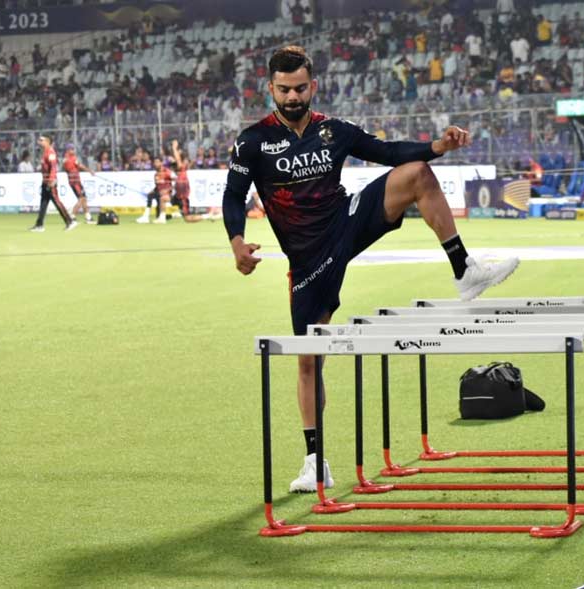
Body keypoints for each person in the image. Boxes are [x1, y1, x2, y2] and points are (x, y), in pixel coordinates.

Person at [222, 46, 519, 493]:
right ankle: (314, 460)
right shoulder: (252, 141)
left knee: (416, 172)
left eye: (300, 88)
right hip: (308, 259)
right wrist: (237, 241)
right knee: (308, 362)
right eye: (283, 90)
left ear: (313, 85)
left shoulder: (333, 131)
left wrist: (437, 146)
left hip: (345, 223)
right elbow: (233, 195)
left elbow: (388, 151)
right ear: (270, 89)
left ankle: (465, 269)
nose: (292, 97)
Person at [30, 136, 77, 232]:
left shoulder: (50, 152)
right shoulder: (45, 152)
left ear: (47, 141)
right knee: (43, 203)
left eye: (41, 140)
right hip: (45, 181)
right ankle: (39, 225)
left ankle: (70, 221)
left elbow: (53, 167)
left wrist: (51, 180)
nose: (39, 142)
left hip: (50, 182)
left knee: (56, 201)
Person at [170, 139, 214, 223]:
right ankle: (177, 213)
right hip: (179, 196)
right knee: (173, 202)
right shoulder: (180, 172)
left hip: (182, 197)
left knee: (187, 219)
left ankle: (206, 215)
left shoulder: (181, 168)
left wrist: (174, 148)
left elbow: (178, 158)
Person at [137, 155, 175, 224]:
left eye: (157, 162)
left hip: (167, 194)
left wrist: (168, 190)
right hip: (159, 194)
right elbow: (158, 186)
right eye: (155, 162)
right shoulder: (156, 174)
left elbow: (176, 181)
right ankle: (146, 217)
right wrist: (153, 190)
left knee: (157, 199)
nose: (156, 164)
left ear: (161, 163)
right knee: (150, 195)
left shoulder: (167, 172)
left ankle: (149, 217)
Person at [63, 144, 96, 224]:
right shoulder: (70, 158)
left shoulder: (67, 158)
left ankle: (88, 217)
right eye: (72, 149)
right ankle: (72, 216)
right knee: (81, 199)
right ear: (68, 150)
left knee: (83, 198)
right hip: (75, 181)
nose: (74, 151)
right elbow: (79, 165)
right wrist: (89, 171)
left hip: (75, 181)